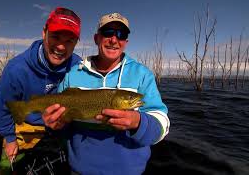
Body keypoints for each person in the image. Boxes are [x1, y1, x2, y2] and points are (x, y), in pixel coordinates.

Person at [44, 12, 170, 174]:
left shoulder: (143, 75)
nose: (114, 39)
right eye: (108, 33)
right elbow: (60, 126)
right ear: (97, 38)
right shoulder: (72, 74)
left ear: (126, 42)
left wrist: (138, 122)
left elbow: (163, 125)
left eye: (121, 34)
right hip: (79, 170)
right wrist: (54, 126)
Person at [0, 7, 82, 174]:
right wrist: (10, 139)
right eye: (55, 37)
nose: (61, 46)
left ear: (76, 43)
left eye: (69, 41)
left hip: (61, 125)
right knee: (7, 167)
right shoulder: (16, 69)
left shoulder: (78, 67)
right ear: (44, 33)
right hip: (26, 125)